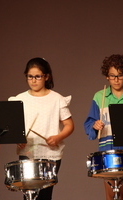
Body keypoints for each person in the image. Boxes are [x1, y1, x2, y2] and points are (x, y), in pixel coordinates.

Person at [8, 57, 74, 200]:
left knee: (45, 195)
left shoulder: (56, 99)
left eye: (37, 76)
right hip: (28, 152)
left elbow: (69, 125)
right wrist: (17, 139)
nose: (33, 80)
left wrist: (58, 137)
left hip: (50, 154)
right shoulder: (20, 99)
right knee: (28, 195)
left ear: (46, 76)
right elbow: (14, 127)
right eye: (30, 77)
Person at [84, 54, 123, 200]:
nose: (116, 80)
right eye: (112, 76)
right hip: (107, 152)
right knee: (111, 196)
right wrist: (95, 125)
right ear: (107, 76)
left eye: (120, 75)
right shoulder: (99, 97)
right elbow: (89, 124)